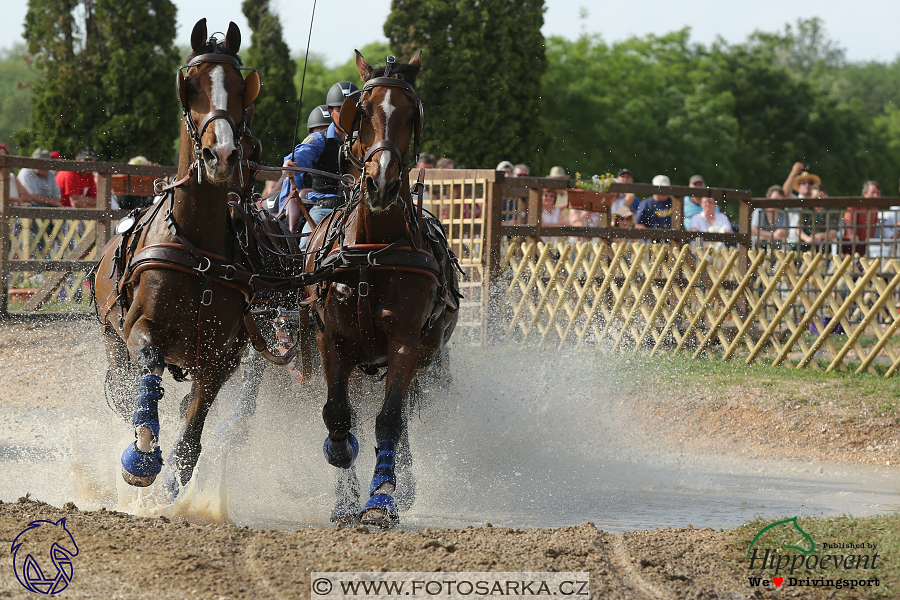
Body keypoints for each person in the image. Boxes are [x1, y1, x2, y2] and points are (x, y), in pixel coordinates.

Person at [279, 81, 358, 250]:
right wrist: (292, 163)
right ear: (330, 112)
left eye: (351, 110)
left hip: (360, 208)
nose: (345, 115)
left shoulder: (368, 139)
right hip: (325, 209)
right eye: (339, 110)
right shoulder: (319, 139)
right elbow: (301, 154)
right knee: (306, 246)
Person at [842, 180, 880, 257]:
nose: (876, 196)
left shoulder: (875, 209)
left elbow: (874, 225)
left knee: (862, 267)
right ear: (864, 193)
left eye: (878, 193)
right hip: (850, 243)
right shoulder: (856, 204)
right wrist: (852, 235)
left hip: (864, 244)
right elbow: (848, 218)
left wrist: (869, 240)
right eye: (873, 193)